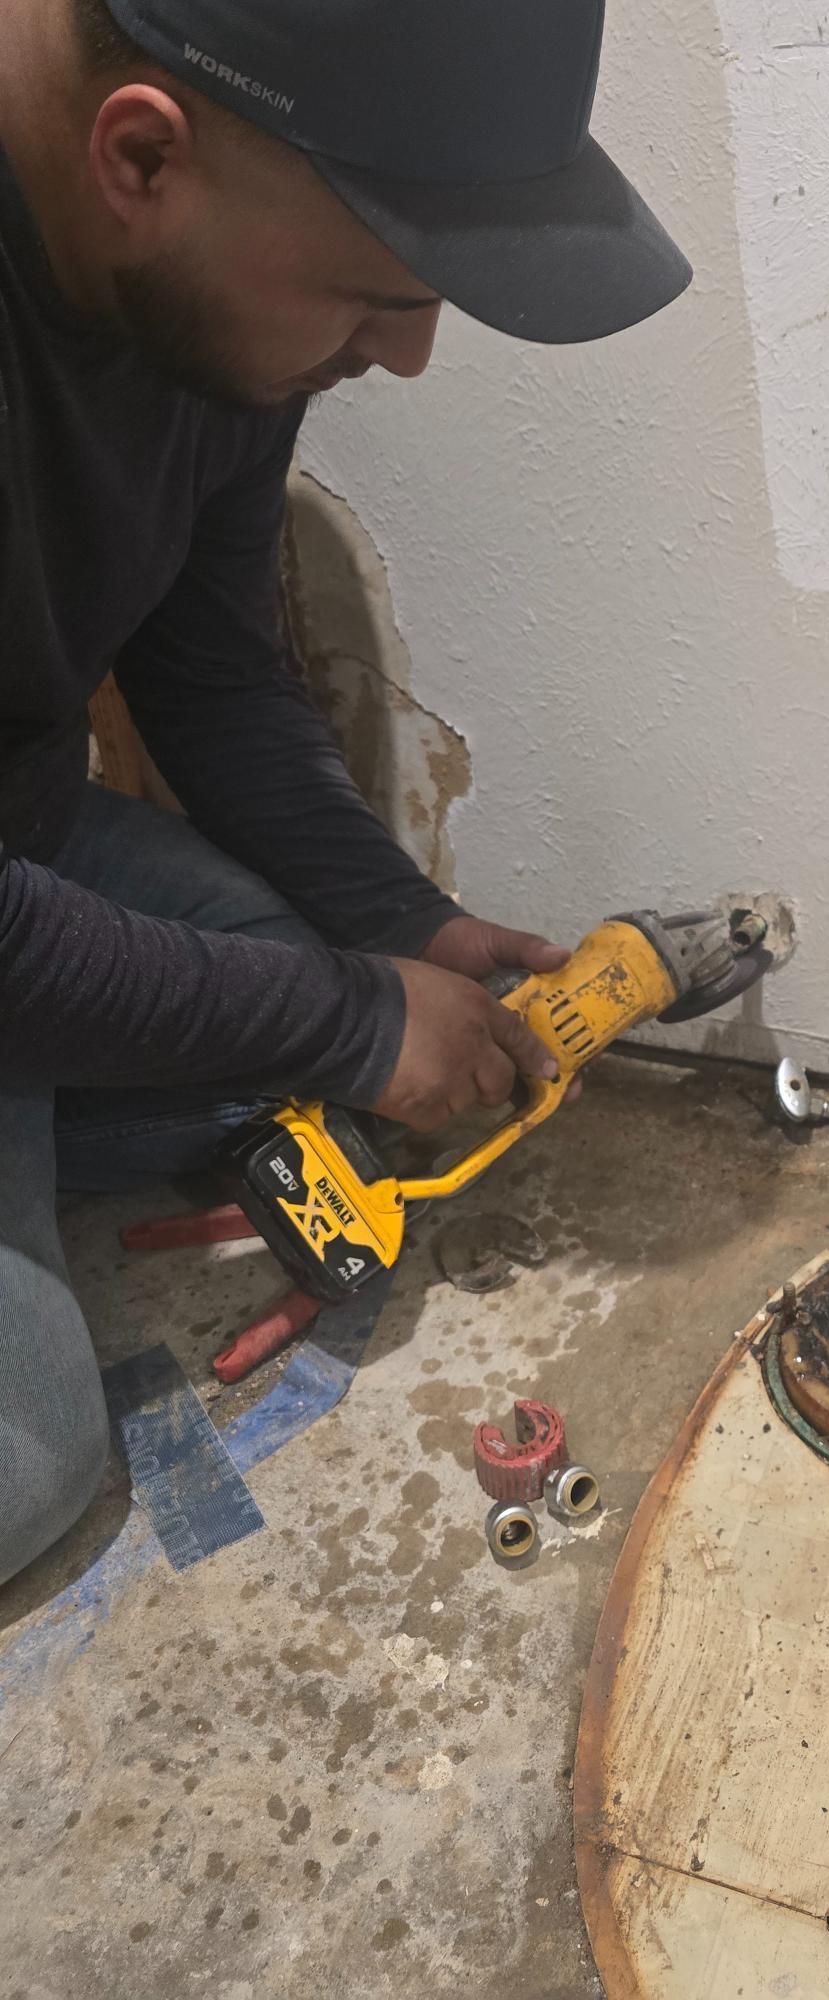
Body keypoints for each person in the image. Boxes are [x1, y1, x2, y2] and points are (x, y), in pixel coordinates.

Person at [0, 0, 692, 1586]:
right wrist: (344, 1017)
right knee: (24, 1466)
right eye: (373, 290)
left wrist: (393, 929)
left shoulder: (197, 293)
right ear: (143, 155)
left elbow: (215, 671)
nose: (408, 349)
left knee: (290, 1007)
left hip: (25, 834)